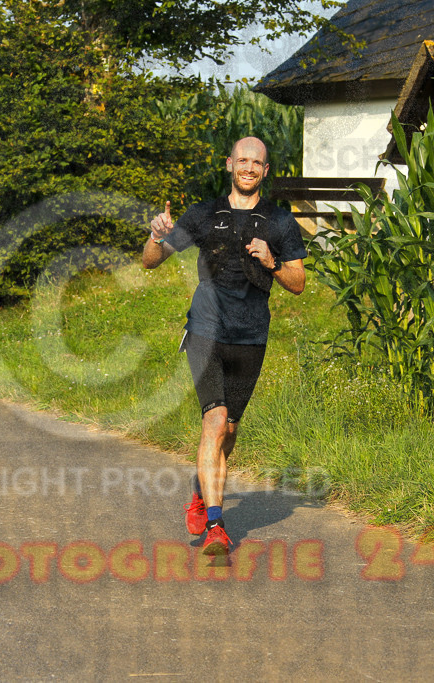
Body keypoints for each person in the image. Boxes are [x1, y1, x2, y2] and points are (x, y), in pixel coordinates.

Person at [143, 136, 306, 555]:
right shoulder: (204, 214)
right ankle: (216, 526)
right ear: (229, 164)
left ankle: (202, 491)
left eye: (257, 163)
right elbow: (150, 261)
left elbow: (298, 283)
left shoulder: (280, 222)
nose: (249, 168)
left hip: (250, 336)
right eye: (242, 160)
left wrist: (271, 262)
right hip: (205, 330)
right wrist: (157, 237)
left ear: (265, 171)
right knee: (214, 423)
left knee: (229, 431)